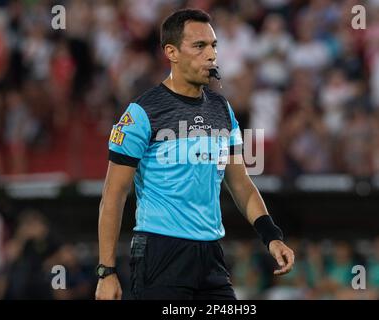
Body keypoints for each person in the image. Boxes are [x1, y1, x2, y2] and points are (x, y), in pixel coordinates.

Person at [95, 8, 294, 300]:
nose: (211, 54)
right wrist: (106, 272)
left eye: (213, 45)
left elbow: (241, 185)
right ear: (171, 52)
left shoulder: (222, 110)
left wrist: (272, 236)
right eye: (199, 46)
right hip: (160, 254)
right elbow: (113, 195)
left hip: (211, 255)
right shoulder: (141, 113)